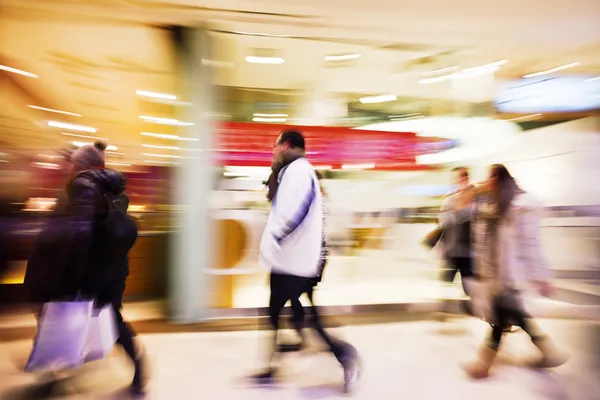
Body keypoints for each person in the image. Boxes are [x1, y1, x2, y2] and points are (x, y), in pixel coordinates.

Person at [28, 142, 145, 395]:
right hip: (113, 269)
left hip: (91, 269)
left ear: (80, 165)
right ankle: (139, 371)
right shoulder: (113, 188)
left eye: (72, 163)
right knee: (108, 320)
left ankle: (54, 377)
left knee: (69, 319)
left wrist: (71, 275)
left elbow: (81, 233)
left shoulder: (84, 185)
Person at [253, 129, 361, 394]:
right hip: (291, 260)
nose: (274, 150)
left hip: (295, 261)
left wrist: (278, 236)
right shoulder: (292, 172)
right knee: (280, 313)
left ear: (287, 145)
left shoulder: (300, 172)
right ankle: (272, 367)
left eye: (276, 146)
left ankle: (345, 354)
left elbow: (296, 213)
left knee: (297, 316)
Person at [462, 164, 568, 379]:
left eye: (491, 177)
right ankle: (549, 351)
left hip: (511, 275)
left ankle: (484, 364)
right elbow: (485, 242)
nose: (487, 182)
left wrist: (542, 276)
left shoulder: (521, 207)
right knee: (515, 315)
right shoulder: (495, 206)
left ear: (501, 179)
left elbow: (531, 244)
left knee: (502, 317)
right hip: (497, 275)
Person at [437, 167, 477, 316]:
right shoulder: (449, 200)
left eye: (462, 177)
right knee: (446, 280)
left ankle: (475, 308)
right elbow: (444, 225)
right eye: (457, 178)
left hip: (470, 251)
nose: (460, 181)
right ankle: (445, 309)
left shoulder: (476, 199)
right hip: (453, 250)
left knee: (469, 285)